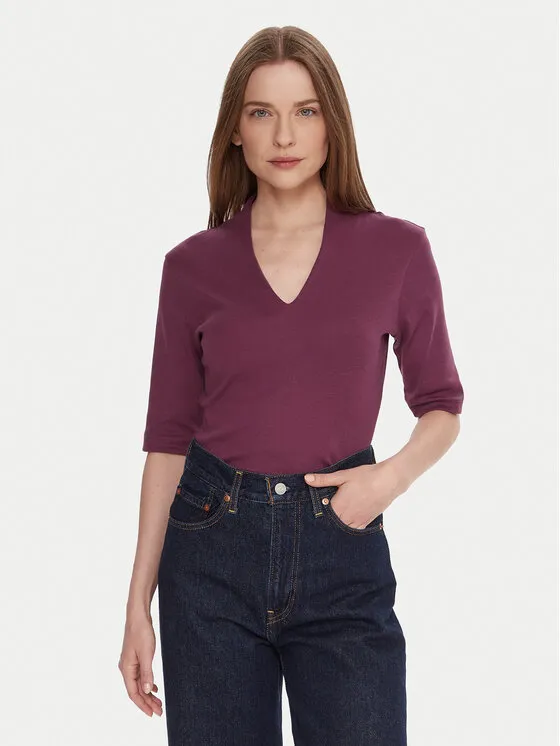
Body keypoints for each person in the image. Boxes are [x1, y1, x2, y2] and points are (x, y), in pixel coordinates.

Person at [118, 24, 464, 746]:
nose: (284, 135)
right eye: (262, 112)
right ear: (235, 130)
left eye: (305, 111)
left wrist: (386, 481)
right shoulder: (191, 267)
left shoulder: (397, 250)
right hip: (209, 552)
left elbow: (441, 406)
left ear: (332, 124)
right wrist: (136, 605)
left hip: (343, 546)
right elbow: (168, 441)